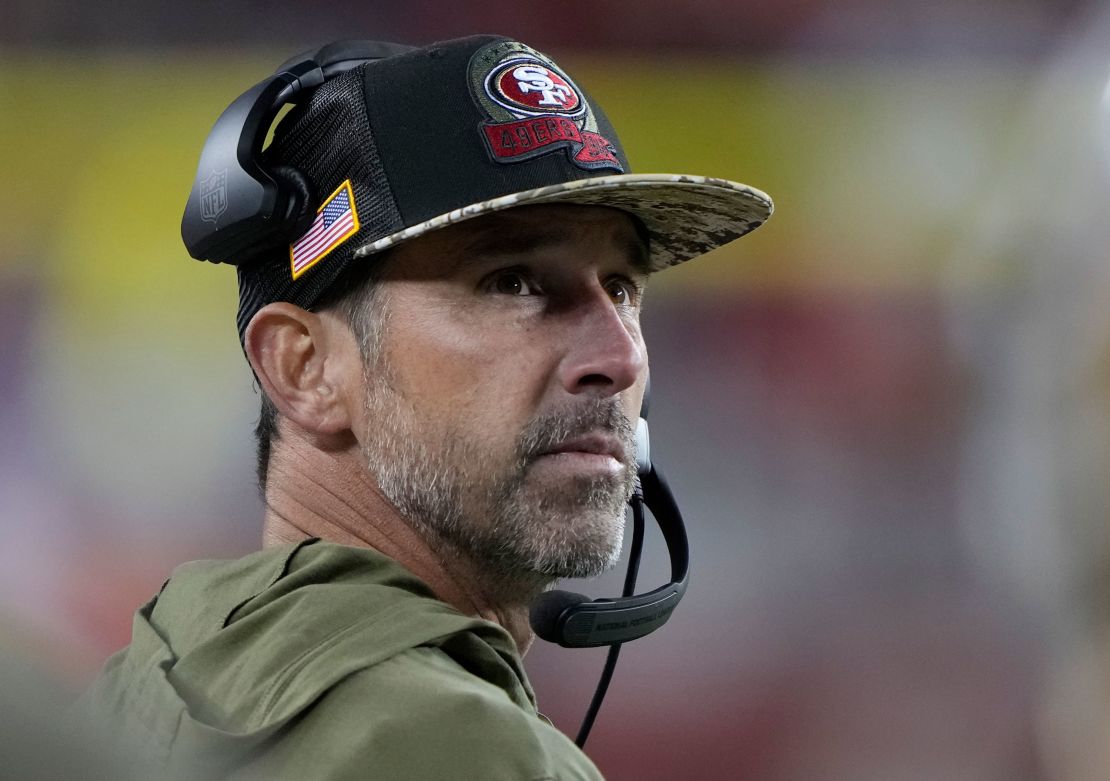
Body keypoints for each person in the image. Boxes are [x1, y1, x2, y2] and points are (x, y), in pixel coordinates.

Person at [75, 34, 772, 779]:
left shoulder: (137, 690)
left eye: (623, 287)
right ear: (304, 367)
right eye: (514, 282)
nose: (623, 357)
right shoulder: (467, 747)